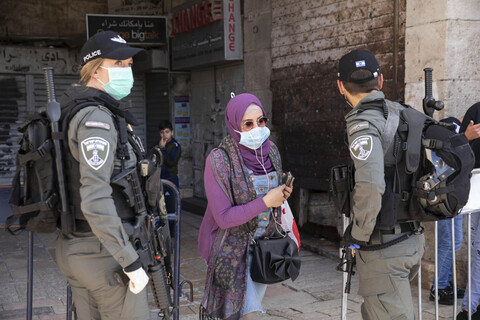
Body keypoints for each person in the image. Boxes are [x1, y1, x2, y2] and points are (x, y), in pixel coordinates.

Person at [54, 31, 150, 319]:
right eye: (119, 65)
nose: (127, 71)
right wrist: (129, 261)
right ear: (96, 70)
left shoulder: (77, 110)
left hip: (78, 247)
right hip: (102, 254)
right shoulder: (97, 118)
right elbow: (95, 196)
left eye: (130, 64)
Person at [337, 49, 425, 320]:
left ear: (340, 86)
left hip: (383, 247)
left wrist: (358, 234)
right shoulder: (403, 113)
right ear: (381, 81)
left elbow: (372, 185)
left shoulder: (363, 124)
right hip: (410, 239)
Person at [198, 93, 293, 320]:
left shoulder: (272, 152)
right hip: (229, 251)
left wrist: (282, 195)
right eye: (248, 123)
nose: (256, 128)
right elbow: (223, 218)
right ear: (233, 124)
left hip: (263, 249)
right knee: (252, 315)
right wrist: (265, 201)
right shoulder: (219, 160)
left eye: (261, 121)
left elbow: (272, 200)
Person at [456, 102, 480, 320]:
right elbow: (457, 152)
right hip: (476, 194)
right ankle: (468, 309)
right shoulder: (475, 111)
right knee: (477, 248)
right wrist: (467, 136)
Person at [158, 119, 181, 213]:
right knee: (160, 208)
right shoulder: (158, 144)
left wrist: (163, 149)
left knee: (171, 208)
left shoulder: (175, 146)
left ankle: (172, 228)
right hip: (160, 179)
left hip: (171, 179)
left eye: (167, 132)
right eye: (162, 132)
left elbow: (171, 162)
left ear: (172, 132)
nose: (164, 135)